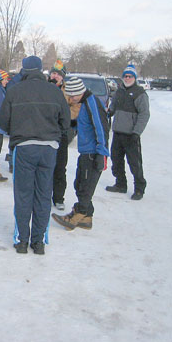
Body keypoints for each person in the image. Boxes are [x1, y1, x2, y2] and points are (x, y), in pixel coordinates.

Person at [0, 55, 70, 255]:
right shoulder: (54, 92)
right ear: (41, 70)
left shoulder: (14, 91)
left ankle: (22, 241)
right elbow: (66, 122)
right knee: (43, 194)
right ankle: (38, 243)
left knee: (23, 194)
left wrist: (16, 131)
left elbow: (2, 121)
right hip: (48, 149)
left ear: (24, 70)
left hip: (24, 147)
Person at [52, 77, 109, 230]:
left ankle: (77, 214)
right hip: (85, 151)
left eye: (72, 96)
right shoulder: (85, 103)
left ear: (79, 92)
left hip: (93, 153)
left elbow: (101, 128)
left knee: (85, 186)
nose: (71, 99)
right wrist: (70, 124)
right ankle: (87, 217)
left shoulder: (92, 103)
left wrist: (101, 153)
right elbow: (84, 123)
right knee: (79, 183)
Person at [105, 64, 150, 200]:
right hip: (118, 133)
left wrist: (136, 132)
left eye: (130, 76)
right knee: (116, 159)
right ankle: (120, 184)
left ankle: (139, 189)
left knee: (135, 163)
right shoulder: (119, 91)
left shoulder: (139, 93)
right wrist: (109, 112)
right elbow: (113, 107)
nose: (127, 78)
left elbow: (144, 115)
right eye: (125, 76)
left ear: (134, 78)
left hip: (131, 135)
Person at [47, 60, 82, 210]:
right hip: (46, 132)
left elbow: (76, 108)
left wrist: (64, 116)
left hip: (61, 133)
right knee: (45, 167)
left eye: (57, 74)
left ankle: (59, 197)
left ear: (62, 77)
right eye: (53, 73)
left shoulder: (68, 91)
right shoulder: (44, 88)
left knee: (60, 167)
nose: (54, 76)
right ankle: (44, 195)